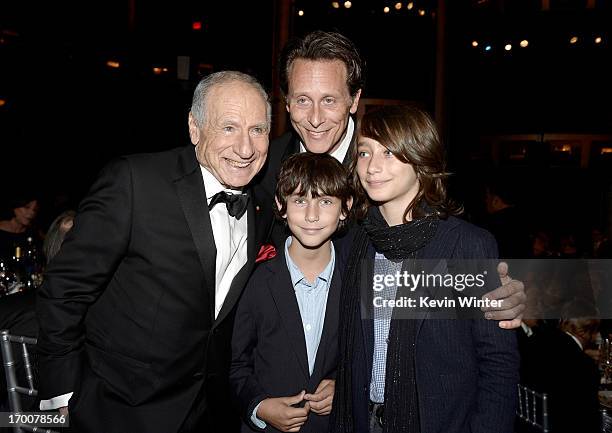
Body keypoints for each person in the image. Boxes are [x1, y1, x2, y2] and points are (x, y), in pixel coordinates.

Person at [36, 71, 271, 433]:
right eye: (229, 128)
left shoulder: (259, 206)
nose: (245, 148)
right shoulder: (134, 182)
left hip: (209, 414)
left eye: (258, 129)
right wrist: (65, 396)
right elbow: (64, 290)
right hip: (118, 410)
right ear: (195, 128)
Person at [253, 29, 525, 328]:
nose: (316, 118)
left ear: (354, 99)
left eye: (329, 100)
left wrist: (493, 293)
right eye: (303, 100)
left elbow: (445, 251)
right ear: (287, 101)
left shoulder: (392, 166)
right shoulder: (262, 169)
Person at [330, 105, 520, 433]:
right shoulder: (354, 242)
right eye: (364, 152)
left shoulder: (465, 246)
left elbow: (498, 364)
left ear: (420, 157)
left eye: (389, 152)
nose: (372, 167)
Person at [230, 153, 352, 433]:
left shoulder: (356, 281)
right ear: (280, 206)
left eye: (325, 201)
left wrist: (343, 386)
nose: (311, 215)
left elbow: (368, 357)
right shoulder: (253, 278)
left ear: (346, 207)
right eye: (299, 200)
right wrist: (258, 406)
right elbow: (236, 363)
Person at [0, 191, 42, 262]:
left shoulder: (33, 234)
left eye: (35, 209)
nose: (32, 212)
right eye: (27, 207)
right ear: (15, 207)